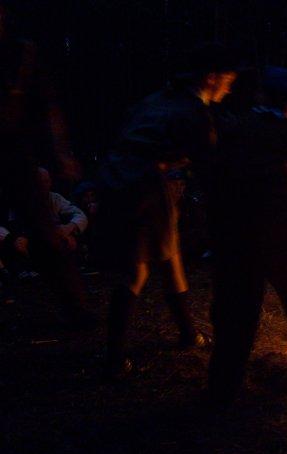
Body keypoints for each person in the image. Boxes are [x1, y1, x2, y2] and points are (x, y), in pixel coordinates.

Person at [100, 43, 237, 377]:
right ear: (210, 78)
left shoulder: (163, 98)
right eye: (227, 80)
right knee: (138, 270)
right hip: (140, 186)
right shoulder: (192, 110)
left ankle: (188, 333)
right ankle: (113, 357)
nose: (230, 87)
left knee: (170, 254)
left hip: (125, 177)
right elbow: (209, 165)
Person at [207, 66, 287, 404]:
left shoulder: (233, 128)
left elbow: (217, 177)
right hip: (277, 230)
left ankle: (223, 385)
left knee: (238, 307)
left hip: (235, 232)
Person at [0, 2, 91, 325]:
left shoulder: (22, 55)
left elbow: (49, 107)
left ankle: (77, 310)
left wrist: (62, 153)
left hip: (13, 154)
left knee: (47, 234)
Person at [38, 167, 87, 253]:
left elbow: (80, 215)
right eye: (39, 183)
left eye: (46, 181)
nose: (43, 186)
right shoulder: (25, 201)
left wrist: (68, 228)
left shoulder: (54, 198)